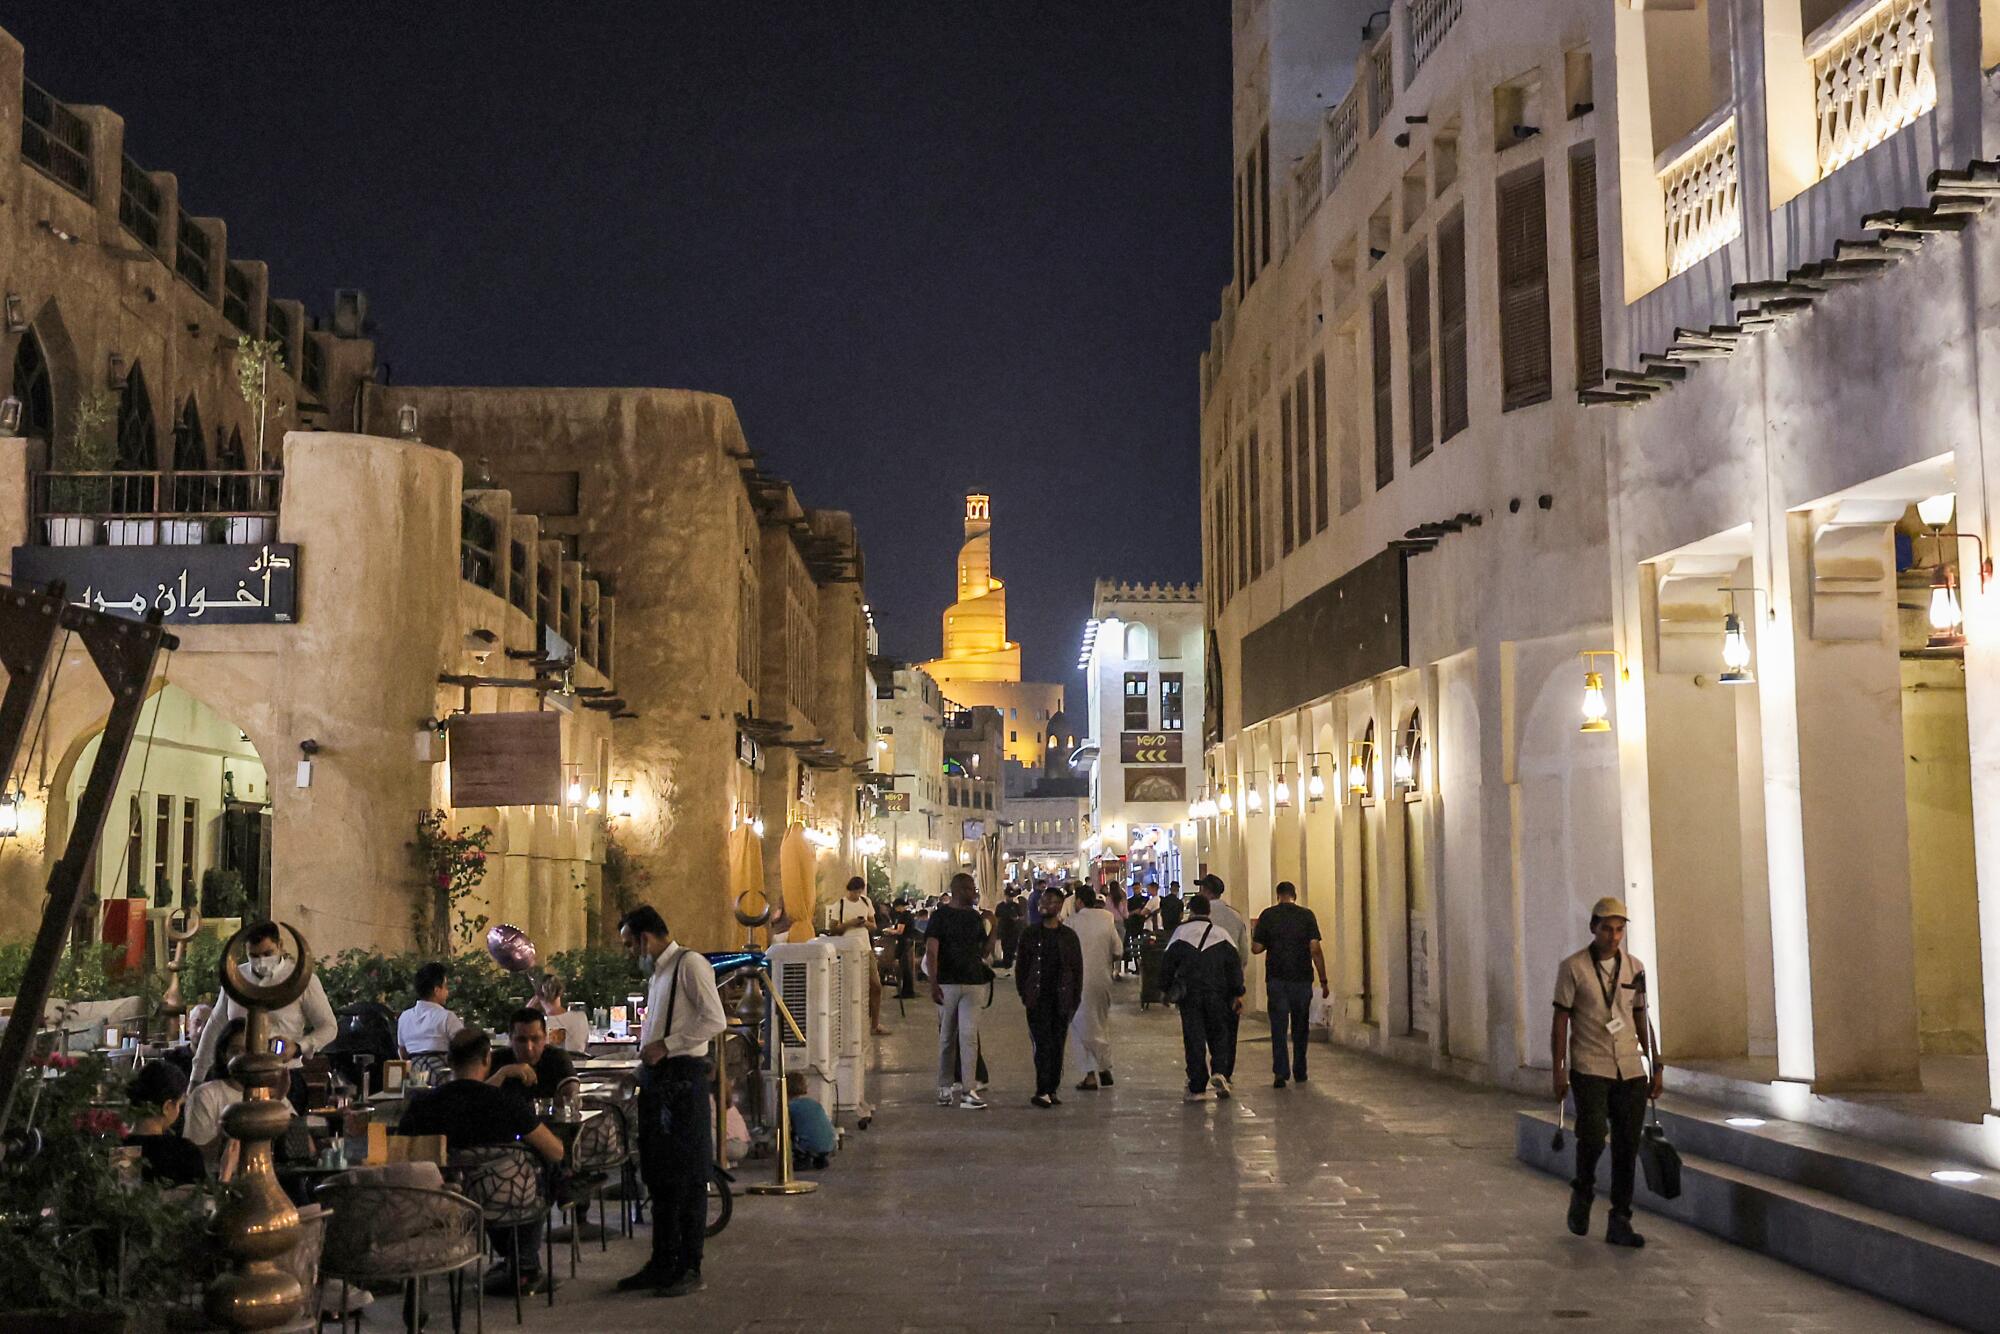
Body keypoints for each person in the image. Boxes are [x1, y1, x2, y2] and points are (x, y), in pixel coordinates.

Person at [397, 1026, 566, 1295]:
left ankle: (513, 1261)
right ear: (488, 1058)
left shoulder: (424, 1105)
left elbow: (401, 1154)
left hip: (446, 1202)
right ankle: (524, 1264)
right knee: (541, 1168)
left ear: (449, 1061)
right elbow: (555, 1151)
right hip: (507, 1196)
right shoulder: (507, 1103)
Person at [617, 903, 729, 1297]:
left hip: (683, 1080)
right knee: (659, 1174)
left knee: (688, 1175)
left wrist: (668, 1045)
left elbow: (715, 1019)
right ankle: (662, 1260)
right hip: (658, 1079)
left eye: (631, 946)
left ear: (646, 939)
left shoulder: (690, 964)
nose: (631, 954)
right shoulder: (660, 974)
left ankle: (688, 1265)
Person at [1552, 896, 1663, 1249]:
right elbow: (1561, 1021)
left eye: (1619, 930)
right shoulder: (1573, 968)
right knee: (1593, 1134)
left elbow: (1641, 1017)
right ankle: (1583, 1190)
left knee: (1627, 1145)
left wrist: (1655, 1063)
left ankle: (1620, 1218)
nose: (1614, 937)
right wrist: (1559, 1069)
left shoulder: (1635, 967)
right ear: (1593, 928)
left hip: (1629, 1067)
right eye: (1607, 929)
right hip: (1591, 1063)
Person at [190, 921, 339, 1110]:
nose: (261, 960)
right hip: (237, 1080)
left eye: (267, 953)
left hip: (284, 1075)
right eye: (254, 955)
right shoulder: (236, 978)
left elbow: (329, 1027)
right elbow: (214, 1026)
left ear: (280, 946)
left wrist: (299, 1047)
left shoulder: (302, 978)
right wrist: (197, 1077)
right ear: (245, 950)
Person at [1159, 897, 1245, 1101]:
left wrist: (1164, 990)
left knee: (1194, 1037)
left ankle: (1197, 1086)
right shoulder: (1222, 935)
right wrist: (1238, 993)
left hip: (1191, 995)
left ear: (1190, 911)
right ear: (1209, 912)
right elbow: (1234, 966)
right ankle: (1220, 1072)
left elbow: (1167, 965)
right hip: (1219, 993)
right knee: (1219, 1033)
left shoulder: (1180, 934)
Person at [924, 871, 993, 1110]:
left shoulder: (975, 918)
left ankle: (968, 1089)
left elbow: (984, 952)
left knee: (969, 1037)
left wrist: (994, 927)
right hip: (948, 983)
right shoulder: (940, 916)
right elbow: (932, 951)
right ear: (959, 890)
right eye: (971, 888)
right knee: (947, 1038)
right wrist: (933, 983)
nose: (974, 892)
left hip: (973, 982)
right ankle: (944, 1087)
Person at [1252, 881, 1329, 1087]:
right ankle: (1300, 1069)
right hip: (1302, 979)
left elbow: (1256, 948)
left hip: (1276, 979)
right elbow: (1315, 949)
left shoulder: (1268, 916)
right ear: (1294, 895)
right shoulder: (1307, 915)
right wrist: (1323, 980)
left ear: (1278, 896)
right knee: (1300, 1026)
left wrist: (1263, 935)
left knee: (1278, 1027)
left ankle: (1280, 1072)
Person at [1015, 885, 1082, 1107]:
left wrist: (1075, 998)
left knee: (1057, 1044)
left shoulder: (1069, 936)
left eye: (1051, 901)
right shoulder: (1030, 934)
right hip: (1038, 998)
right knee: (1042, 1043)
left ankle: (1052, 1088)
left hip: (1061, 999)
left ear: (1060, 906)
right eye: (1043, 901)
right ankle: (1042, 1089)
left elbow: (1077, 969)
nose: (1044, 905)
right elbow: (1022, 967)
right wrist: (1025, 993)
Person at [1066, 885, 1122, 1091]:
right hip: (1102, 980)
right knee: (1099, 1023)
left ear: (1079, 901)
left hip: (1078, 981)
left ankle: (1093, 1073)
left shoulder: (1072, 923)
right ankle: (1103, 1069)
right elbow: (1118, 950)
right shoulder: (1107, 919)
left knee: (1080, 1026)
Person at [826, 876, 892, 1035]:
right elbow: (833, 929)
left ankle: (874, 1024)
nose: (856, 895)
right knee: (848, 987)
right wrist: (850, 923)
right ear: (849, 890)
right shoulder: (839, 905)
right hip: (846, 949)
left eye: (859, 892)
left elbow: (873, 925)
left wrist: (864, 923)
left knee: (875, 985)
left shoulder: (866, 902)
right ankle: (847, 1024)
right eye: (854, 892)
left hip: (865, 948)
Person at [124, 1059, 206, 1186]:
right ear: (167, 1107)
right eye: (179, 1104)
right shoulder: (183, 1153)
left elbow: (121, 1198)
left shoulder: (119, 1147)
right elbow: (197, 1199)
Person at [185, 1018, 249, 1174]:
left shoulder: (268, 1093)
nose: (243, 1058)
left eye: (249, 1050)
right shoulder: (206, 1095)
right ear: (223, 1054)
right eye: (236, 1051)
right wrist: (227, 1133)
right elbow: (195, 1155)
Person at [488, 1008, 577, 1114]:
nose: (529, 1047)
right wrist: (503, 1073)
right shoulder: (496, 1059)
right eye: (521, 1040)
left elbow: (572, 1096)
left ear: (545, 1038)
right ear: (510, 1039)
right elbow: (473, 1100)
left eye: (535, 1039)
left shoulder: (557, 1057)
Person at [396, 962, 464, 1086]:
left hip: (414, 1083)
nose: (447, 992)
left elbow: (403, 1052)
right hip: (445, 1083)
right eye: (446, 987)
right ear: (437, 990)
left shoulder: (404, 1017)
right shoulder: (447, 1017)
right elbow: (464, 1047)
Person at [786, 1071, 837, 1168]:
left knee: (790, 1135)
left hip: (808, 1145)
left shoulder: (790, 1107)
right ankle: (820, 1158)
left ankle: (802, 1158)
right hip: (830, 1144)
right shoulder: (813, 1103)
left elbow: (788, 1128)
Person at [533, 975, 592, 1054]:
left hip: (554, 1065)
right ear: (560, 992)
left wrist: (529, 1008)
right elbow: (586, 1045)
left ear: (538, 997)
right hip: (580, 1064)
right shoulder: (581, 1017)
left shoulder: (539, 1024)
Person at [994, 884, 1026, 973]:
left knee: (1012, 947)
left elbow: (1022, 916)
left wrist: (1017, 919)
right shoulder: (1000, 906)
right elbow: (996, 917)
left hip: (1014, 930)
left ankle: (1008, 964)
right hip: (1004, 929)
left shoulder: (1016, 906)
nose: (1010, 898)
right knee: (1005, 947)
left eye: (1011, 897)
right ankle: (1006, 964)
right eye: (1009, 896)